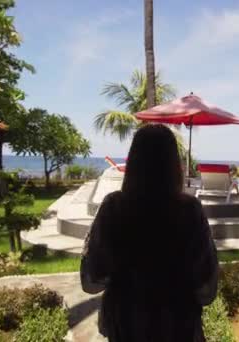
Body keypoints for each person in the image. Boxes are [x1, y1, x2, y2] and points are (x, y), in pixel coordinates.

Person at [80, 124, 218, 341]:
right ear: (173, 164)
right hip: (175, 321)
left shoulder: (114, 206)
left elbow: (94, 274)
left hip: (128, 320)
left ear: (133, 161)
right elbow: (204, 283)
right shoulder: (189, 210)